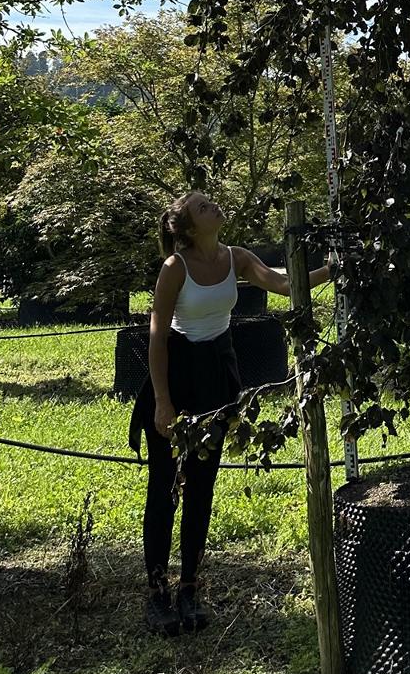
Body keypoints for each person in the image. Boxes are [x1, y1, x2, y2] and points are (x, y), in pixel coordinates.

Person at [130, 189, 332, 636]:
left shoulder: (236, 257)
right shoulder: (174, 268)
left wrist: (331, 270)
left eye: (211, 202)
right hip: (178, 375)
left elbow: (281, 285)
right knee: (164, 485)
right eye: (203, 207)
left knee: (202, 485)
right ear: (187, 228)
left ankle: (189, 588)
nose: (214, 206)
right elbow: (158, 337)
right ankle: (157, 592)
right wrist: (162, 401)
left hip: (217, 379)